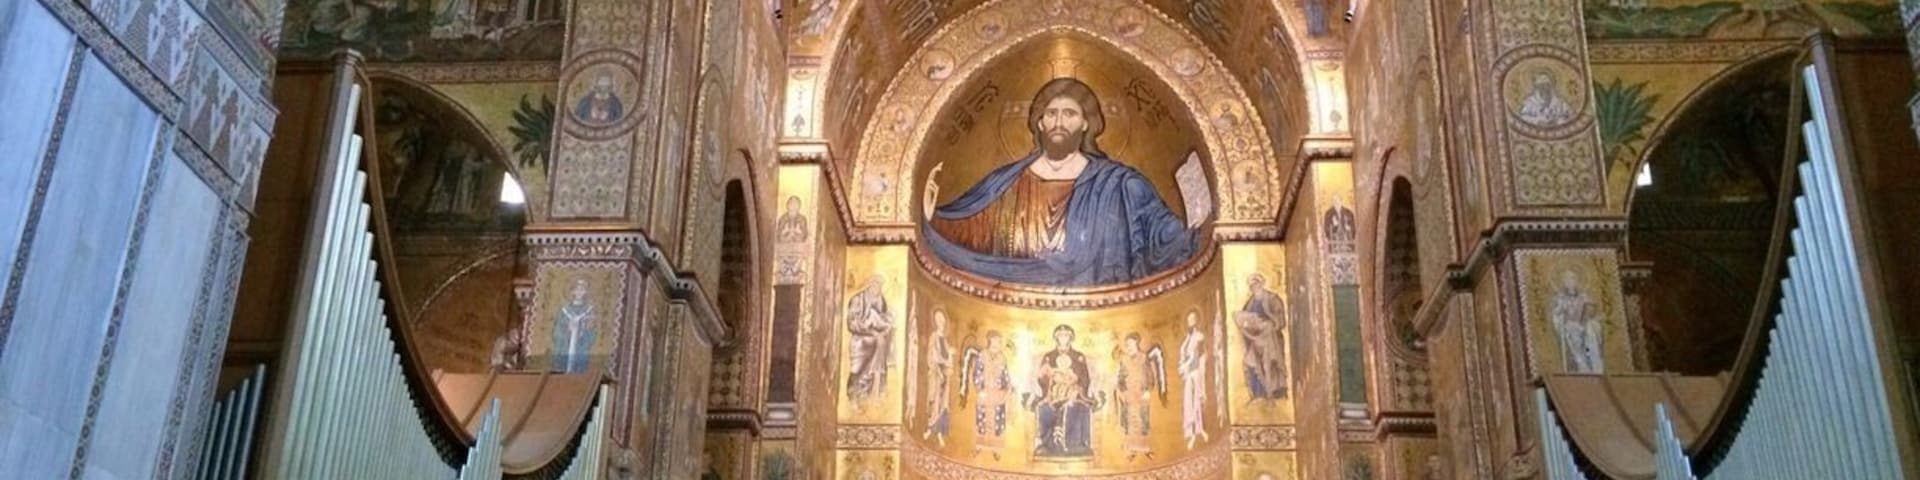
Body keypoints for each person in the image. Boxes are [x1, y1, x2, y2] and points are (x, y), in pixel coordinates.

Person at [924, 78, 1200, 286]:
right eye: (1051, 113)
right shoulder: (1006, 183)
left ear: (1085, 124)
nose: (1059, 121)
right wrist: (929, 216)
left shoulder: (1121, 185)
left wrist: (1201, 228)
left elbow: (1166, 240)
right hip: (1013, 304)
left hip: (1105, 317)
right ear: (1040, 123)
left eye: (1070, 114)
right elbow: (968, 231)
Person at [1032, 325, 1095, 459]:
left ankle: (1074, 445)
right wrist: (1046, 376)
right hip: (1052, 394)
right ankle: (1046, 444)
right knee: (1043, 408)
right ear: (1056, 338)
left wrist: (1075, 387)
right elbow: (1042, 379)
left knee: (1072, 407)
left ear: (1071, 338)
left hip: (1074, 394)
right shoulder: (1049, 357)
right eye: (1060, 335)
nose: (1063, 338)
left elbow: (1085, 379)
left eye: (1066, 335)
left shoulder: (1078, 357)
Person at [1238, 274, 1288, 400]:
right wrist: (1245, 324)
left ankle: (1276, 392)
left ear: (1261, 284)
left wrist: (1270, 323)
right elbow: (1245, 318)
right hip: (1255, 340)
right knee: (1250, 362)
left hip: (1271, 339)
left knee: (1271, 363)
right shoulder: (1250, 303)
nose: (1254, 287)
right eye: (1251, 286)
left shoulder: (1272, 298)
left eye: (1256, 284)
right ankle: (1259, 393)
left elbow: (1280, 319)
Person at [845, 275, 894, 404]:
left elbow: (883, 319)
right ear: (870, 285)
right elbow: (852, 323)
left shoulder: (880, 301)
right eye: (876, 286)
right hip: (861, 343)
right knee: (857, 370)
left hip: (877, 344)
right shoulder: (858, 300)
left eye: (880, 287)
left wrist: (886, 327)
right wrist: (870, 330)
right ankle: (852, 397)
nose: (878, 290)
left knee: (871, 373)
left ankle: (867, 396)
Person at [550, 279, 595, 373]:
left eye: (582, 290)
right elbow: (557, 331)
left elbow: (592, 332)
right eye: (577, 289)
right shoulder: (565, 310)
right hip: (565, 348)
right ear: (572, 291)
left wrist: (584, 328)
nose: (579, 292)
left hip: (580, 348)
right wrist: (567, 329)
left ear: (585, 292)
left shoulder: (589, 310)